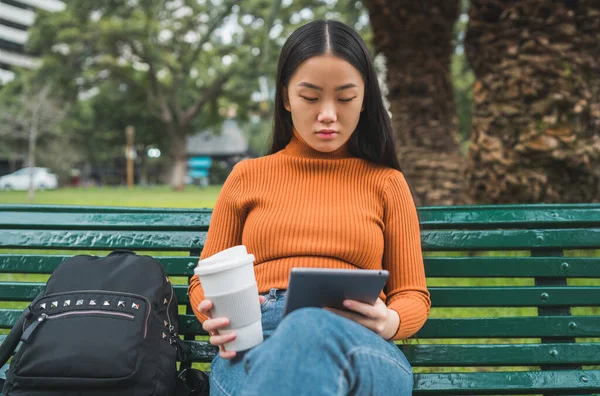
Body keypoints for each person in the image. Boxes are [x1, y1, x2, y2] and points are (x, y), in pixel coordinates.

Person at [188, 19, 430, 396]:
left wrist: (391, 321)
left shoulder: (386, 183)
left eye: (346, 98)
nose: (329, 114)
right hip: (255, 341)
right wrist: (216, 311)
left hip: (361, 343)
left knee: (308, 328)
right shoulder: (247, 176)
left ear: (365, 99)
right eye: (311, 97)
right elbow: (204, 278)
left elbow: (413, 293)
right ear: (286, 98)